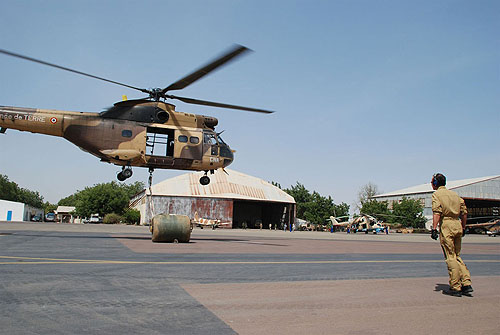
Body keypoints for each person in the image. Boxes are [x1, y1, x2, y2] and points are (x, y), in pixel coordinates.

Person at [430, 173, 473, 297]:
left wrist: (434, 228)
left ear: (436, 183)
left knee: (450, 256)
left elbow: (437, 212)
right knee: (457, 255)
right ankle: (466, 283)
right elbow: (464, 212)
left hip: (447, 225)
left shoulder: (436, 195)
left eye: (432, 182)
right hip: (457, 224)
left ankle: (455, 286)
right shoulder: (455, 195)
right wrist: (463, 227)